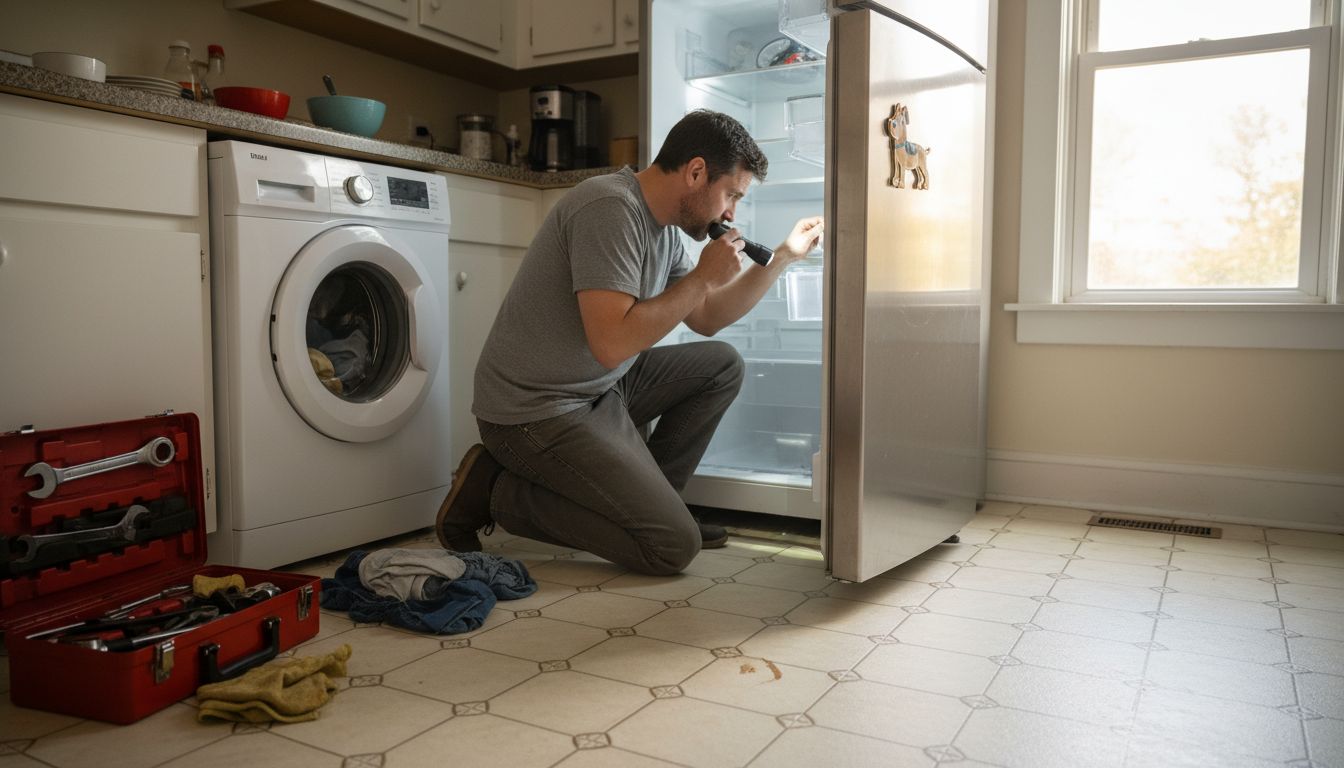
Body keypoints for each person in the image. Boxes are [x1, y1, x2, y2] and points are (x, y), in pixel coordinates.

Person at [437, 109, 824, 576]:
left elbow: (706, 319)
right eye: (731, 195)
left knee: (720, 364)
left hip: (597, 389)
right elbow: (613, 343)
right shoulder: (609, 207)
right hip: (534, 413)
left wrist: (781, 258)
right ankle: (494, 492)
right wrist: (702, 278)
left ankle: (659, 509)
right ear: (696, 171)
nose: (731, 213)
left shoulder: (663, 230)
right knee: (671, 548)